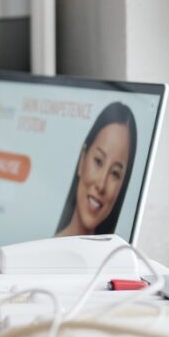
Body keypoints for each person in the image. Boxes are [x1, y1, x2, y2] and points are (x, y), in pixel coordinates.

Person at [54, 102, 138, 238]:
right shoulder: (43, 247)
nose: (101, 185)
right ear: (82, 160)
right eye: (98, 161)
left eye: (115, 173)